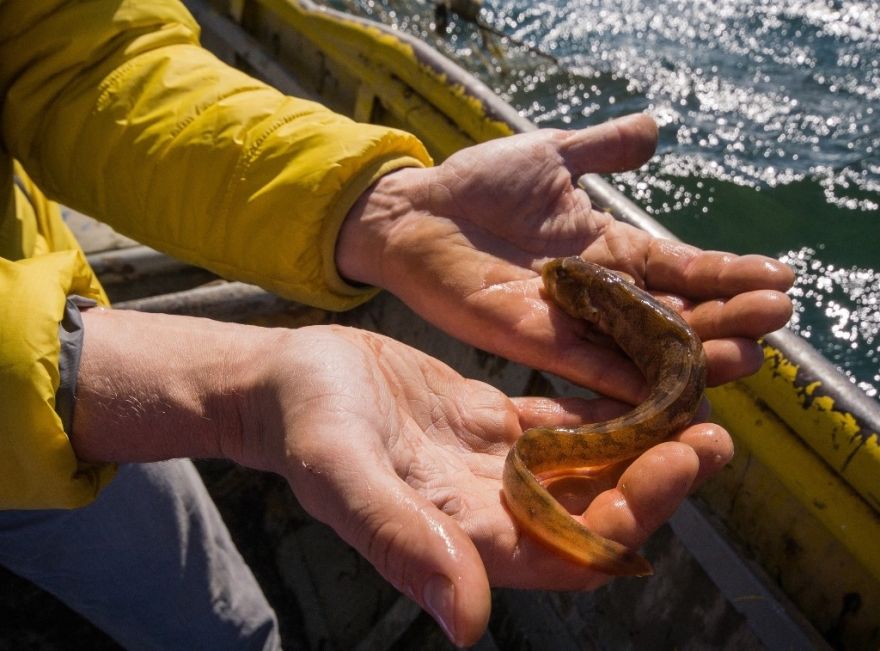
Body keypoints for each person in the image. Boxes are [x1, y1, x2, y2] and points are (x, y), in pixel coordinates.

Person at [0, 1, 794, 648]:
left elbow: (76, 54)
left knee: (223, 629)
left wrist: (376, 204)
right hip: (68, 372)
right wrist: (206, 388)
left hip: (61, 370)